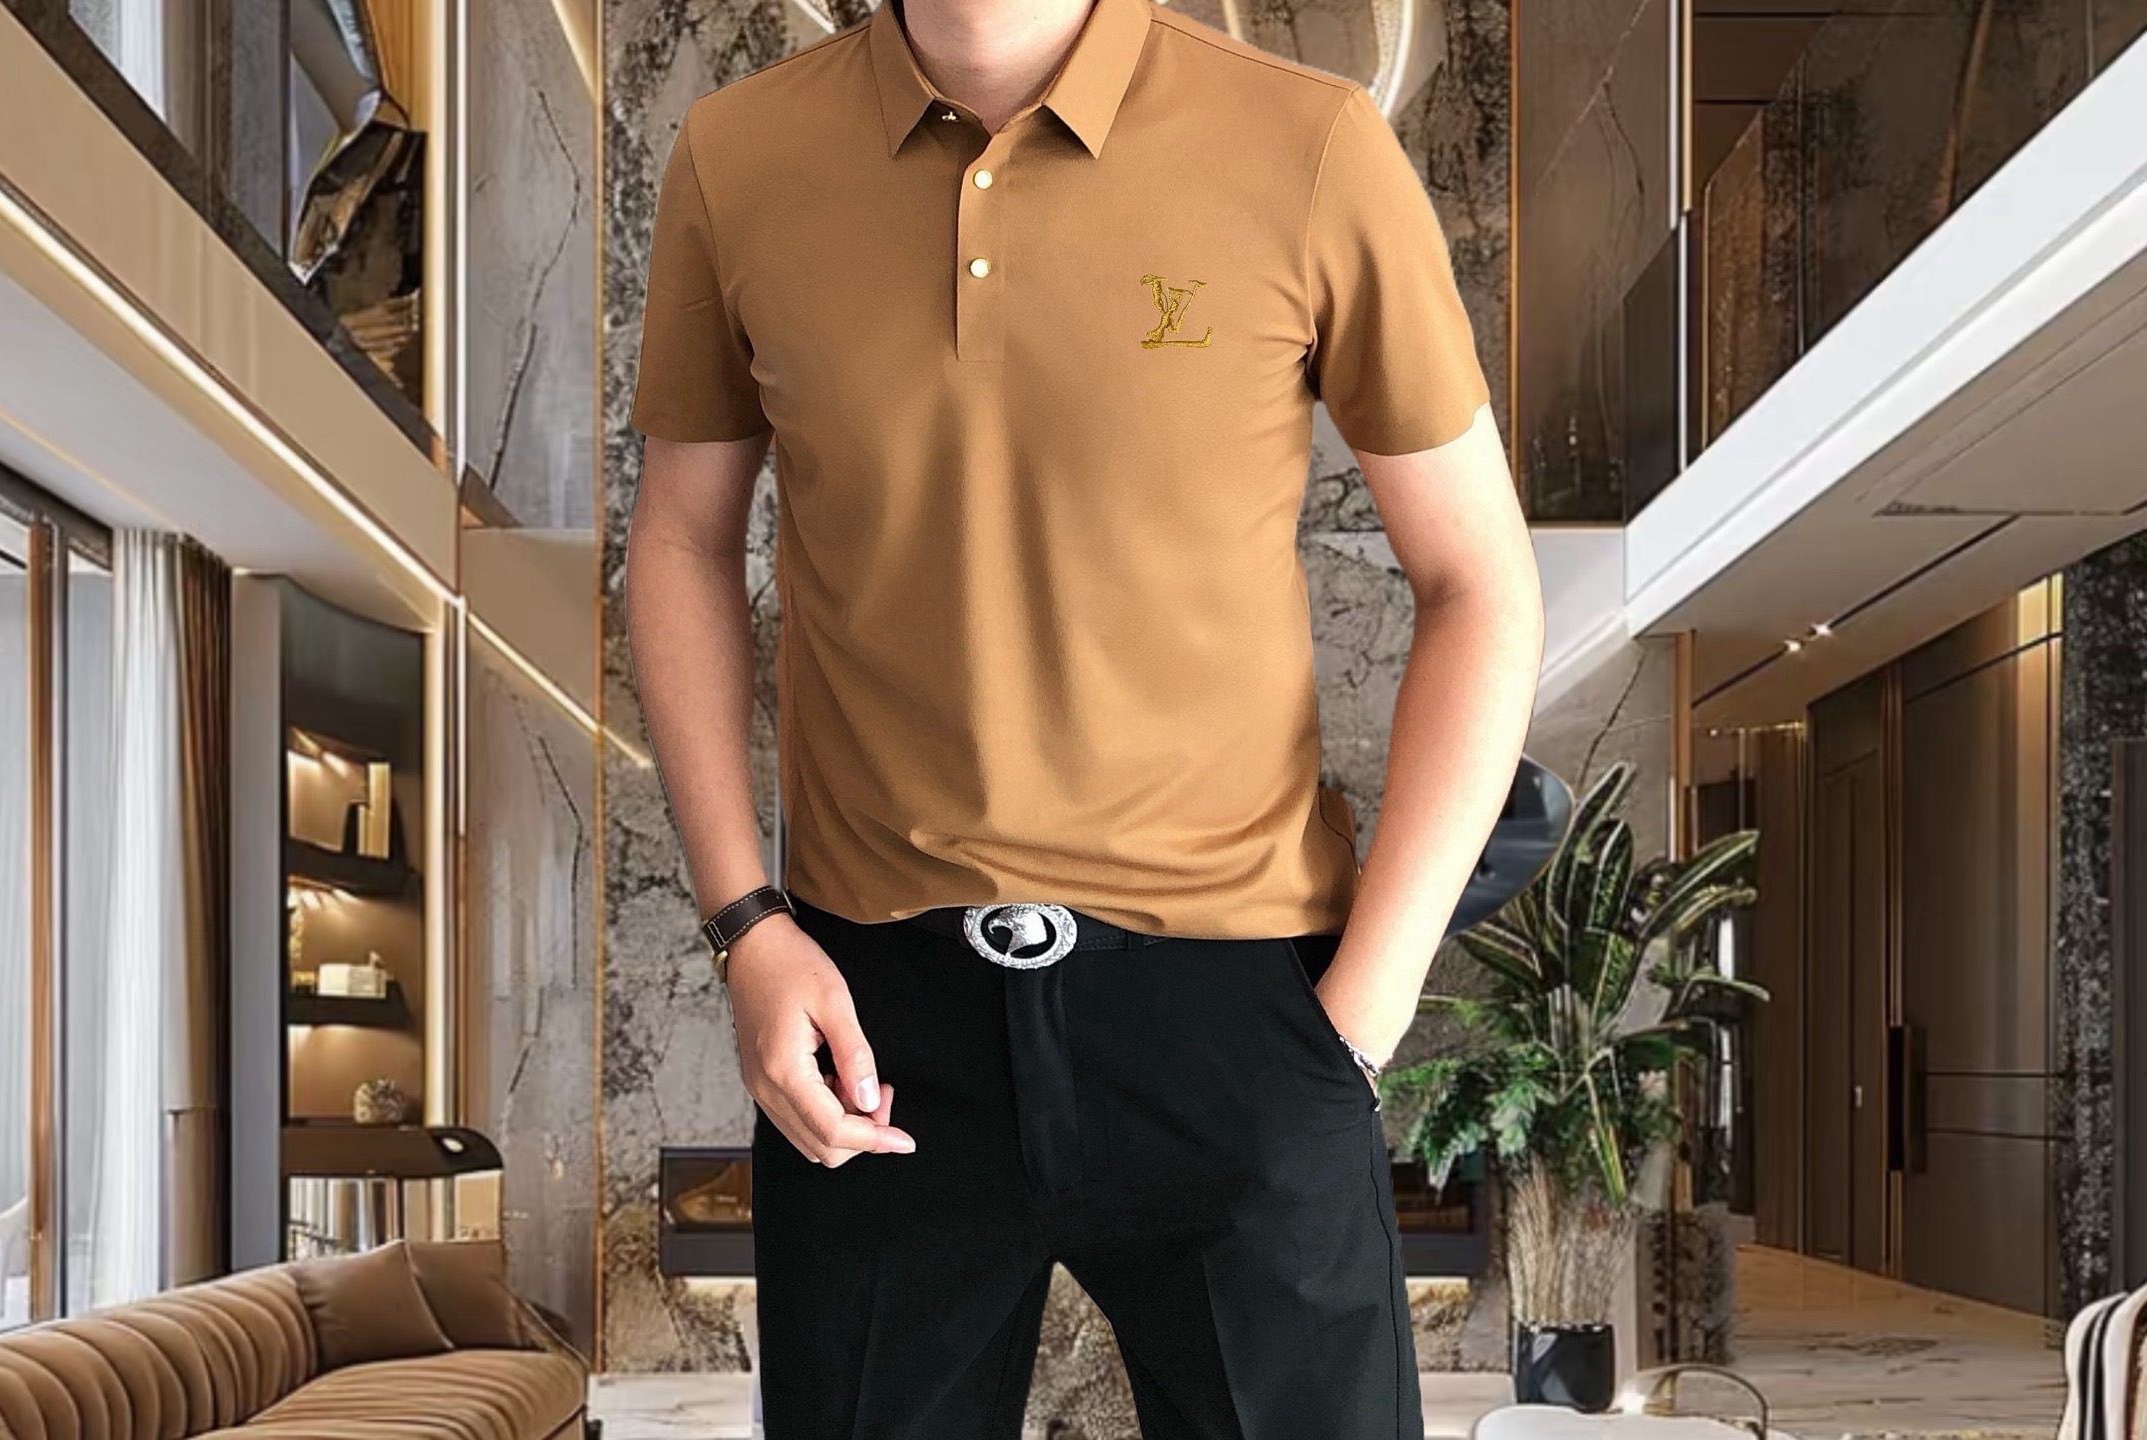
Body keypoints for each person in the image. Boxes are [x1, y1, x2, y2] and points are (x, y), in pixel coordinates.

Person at [622, 0, 1544, 1430]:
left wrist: (1360, 1014)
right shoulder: (736, 155)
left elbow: (1479, 581)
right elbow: (681, 538)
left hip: (1238, 1010)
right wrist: (747, 925)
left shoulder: (1308, 144)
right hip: (876, 1019)